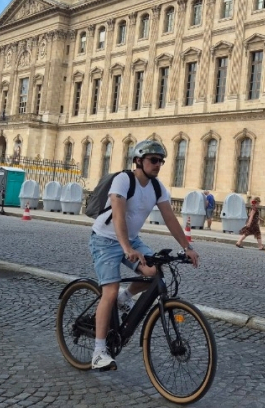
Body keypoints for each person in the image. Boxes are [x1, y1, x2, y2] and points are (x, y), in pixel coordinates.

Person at [89, 140, 200, 371]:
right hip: (105, 239)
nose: (158, 164)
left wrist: (187, 247)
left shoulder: (157, 188)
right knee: (109, 291)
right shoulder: (123, 180)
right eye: (153, 160)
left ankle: (125, 297)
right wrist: (127, 249)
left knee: (155, 271)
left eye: (161, 161)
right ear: (139, 160)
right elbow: (119, 217)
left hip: (130, 239)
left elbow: (170, 218)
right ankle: (99, 352)